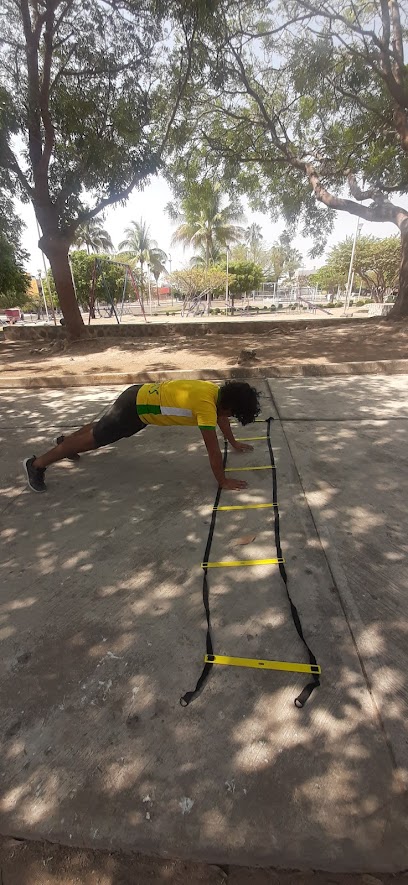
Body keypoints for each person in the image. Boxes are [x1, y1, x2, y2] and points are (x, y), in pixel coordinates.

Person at [23, 380, 261, 493]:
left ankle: (66, 444)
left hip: (138, 394)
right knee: (96, 439)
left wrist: (234, 442)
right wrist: (223, 481)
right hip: (135, 409)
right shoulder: (207, 407)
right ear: (228, 405)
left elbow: (222, 419)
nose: (228, 417)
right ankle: (36, 464)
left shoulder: (212, 390)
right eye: (232, 413)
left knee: (101, 427)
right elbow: (212, 451)